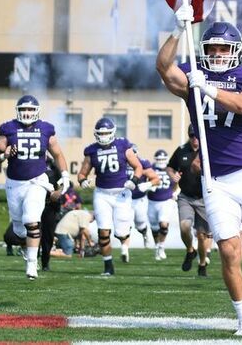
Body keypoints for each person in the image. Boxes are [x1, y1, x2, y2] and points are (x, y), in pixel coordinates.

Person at [156, 9, 242, 337]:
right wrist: (179, 30)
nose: (217, 54)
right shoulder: (194, 72)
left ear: (236, 50)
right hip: (216, 181)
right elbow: (164, 68)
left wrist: (207, 89)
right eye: (211, 48)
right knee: (228, 250)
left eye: (224, 48)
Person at [0, 95, 71, 280]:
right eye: (23, 109)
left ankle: (32, 265)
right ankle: (27, 248)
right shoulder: (9, 129)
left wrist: (65, 175)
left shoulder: (46, 129)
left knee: (32, 219)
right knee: (19, 230)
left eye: (30, 109)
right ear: (18, 111)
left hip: (37, 181)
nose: (27, 113)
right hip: (15, 184)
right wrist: (4, 155)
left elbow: (58, 154)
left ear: (37, 111)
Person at [78, 117, 158, 275]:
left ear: (113, 132)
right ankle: (108, 266)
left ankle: (126, 237)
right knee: (103, 232)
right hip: (102, 194)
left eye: (107, 132)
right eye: (100, 133)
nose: (103, 136)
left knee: (121, 233)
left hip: (121, 194)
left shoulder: (123, 145)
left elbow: (138, 167)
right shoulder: (92, 150)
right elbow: (82, 173)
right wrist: (82, 181)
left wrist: (134, 181)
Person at [169, 124, 212, 276]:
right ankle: (190, 250)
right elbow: (170, 167)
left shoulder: (209, 150)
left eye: (197, 136)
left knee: (202, 235)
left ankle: (202, 264)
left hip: (204, 198)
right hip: (186, 196)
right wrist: (172, 175)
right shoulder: (182, 150)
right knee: (185, 226)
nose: (195, 139)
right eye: (192, 136)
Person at [147, 149, 178, 261]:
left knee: (164, 225)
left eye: (163, 159)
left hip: (166, 201)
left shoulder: (170, 169)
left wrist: (174, 193)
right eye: (159, 159)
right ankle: (157, 247)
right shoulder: (151, 168)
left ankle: (161, 246)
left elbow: (176, 183)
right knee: (155, 228)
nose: (161, 161)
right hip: (152, 201)